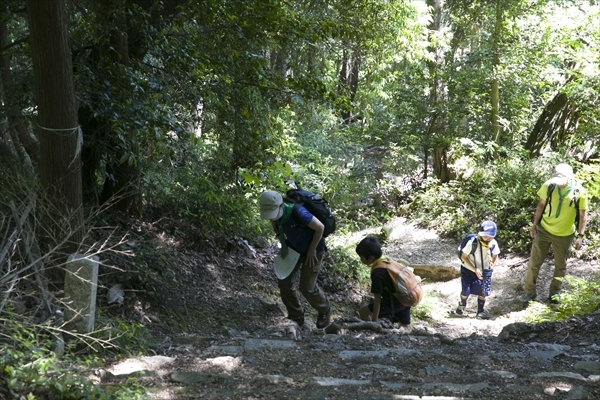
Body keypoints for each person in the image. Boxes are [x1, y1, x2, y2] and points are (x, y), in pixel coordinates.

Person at [259, 190, 332, 329]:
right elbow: (277, 227)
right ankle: (296, 315)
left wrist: (312, 250)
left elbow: (320, 228)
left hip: (314, 250)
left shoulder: (299, 212)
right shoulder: (275, 213)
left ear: (281, 206)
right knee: (284, 283)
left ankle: (325, 309)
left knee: (307, 287)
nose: (272, 218)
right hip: (294, 249)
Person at [521, 163, 588, 304]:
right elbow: (541, 205)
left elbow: (583, 215)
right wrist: (534, 225)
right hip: (544, 229)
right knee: (534, 262)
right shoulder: (549, 185)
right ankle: (529, 291)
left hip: (565, 234)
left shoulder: (579, 191)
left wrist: (580, 236)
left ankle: (554, 293)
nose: (559, 183)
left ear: (569, 178)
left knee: (560, 265)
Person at [355, 236, 412, 328]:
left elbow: (377, 299)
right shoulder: (387, 261)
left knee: (363, 313)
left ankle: (376, 332)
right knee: (405, 327)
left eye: (361, 257)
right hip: (405, 299)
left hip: (393, 302)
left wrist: (374, 321)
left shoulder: (377, 273)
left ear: (370, 258)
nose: (361, 260)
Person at [455, 220, 500, 320]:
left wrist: (491, 268)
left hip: (485, 270)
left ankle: (480, 311)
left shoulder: (493, 243)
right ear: (480, 234)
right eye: (485, 235)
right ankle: (462, 305)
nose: (488, 238)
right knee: (465, 291)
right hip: (468, 269)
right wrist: (475, 269)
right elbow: (464, 256)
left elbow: (496, 256)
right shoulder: (473, 242)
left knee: (483, 291)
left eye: (490, 236)